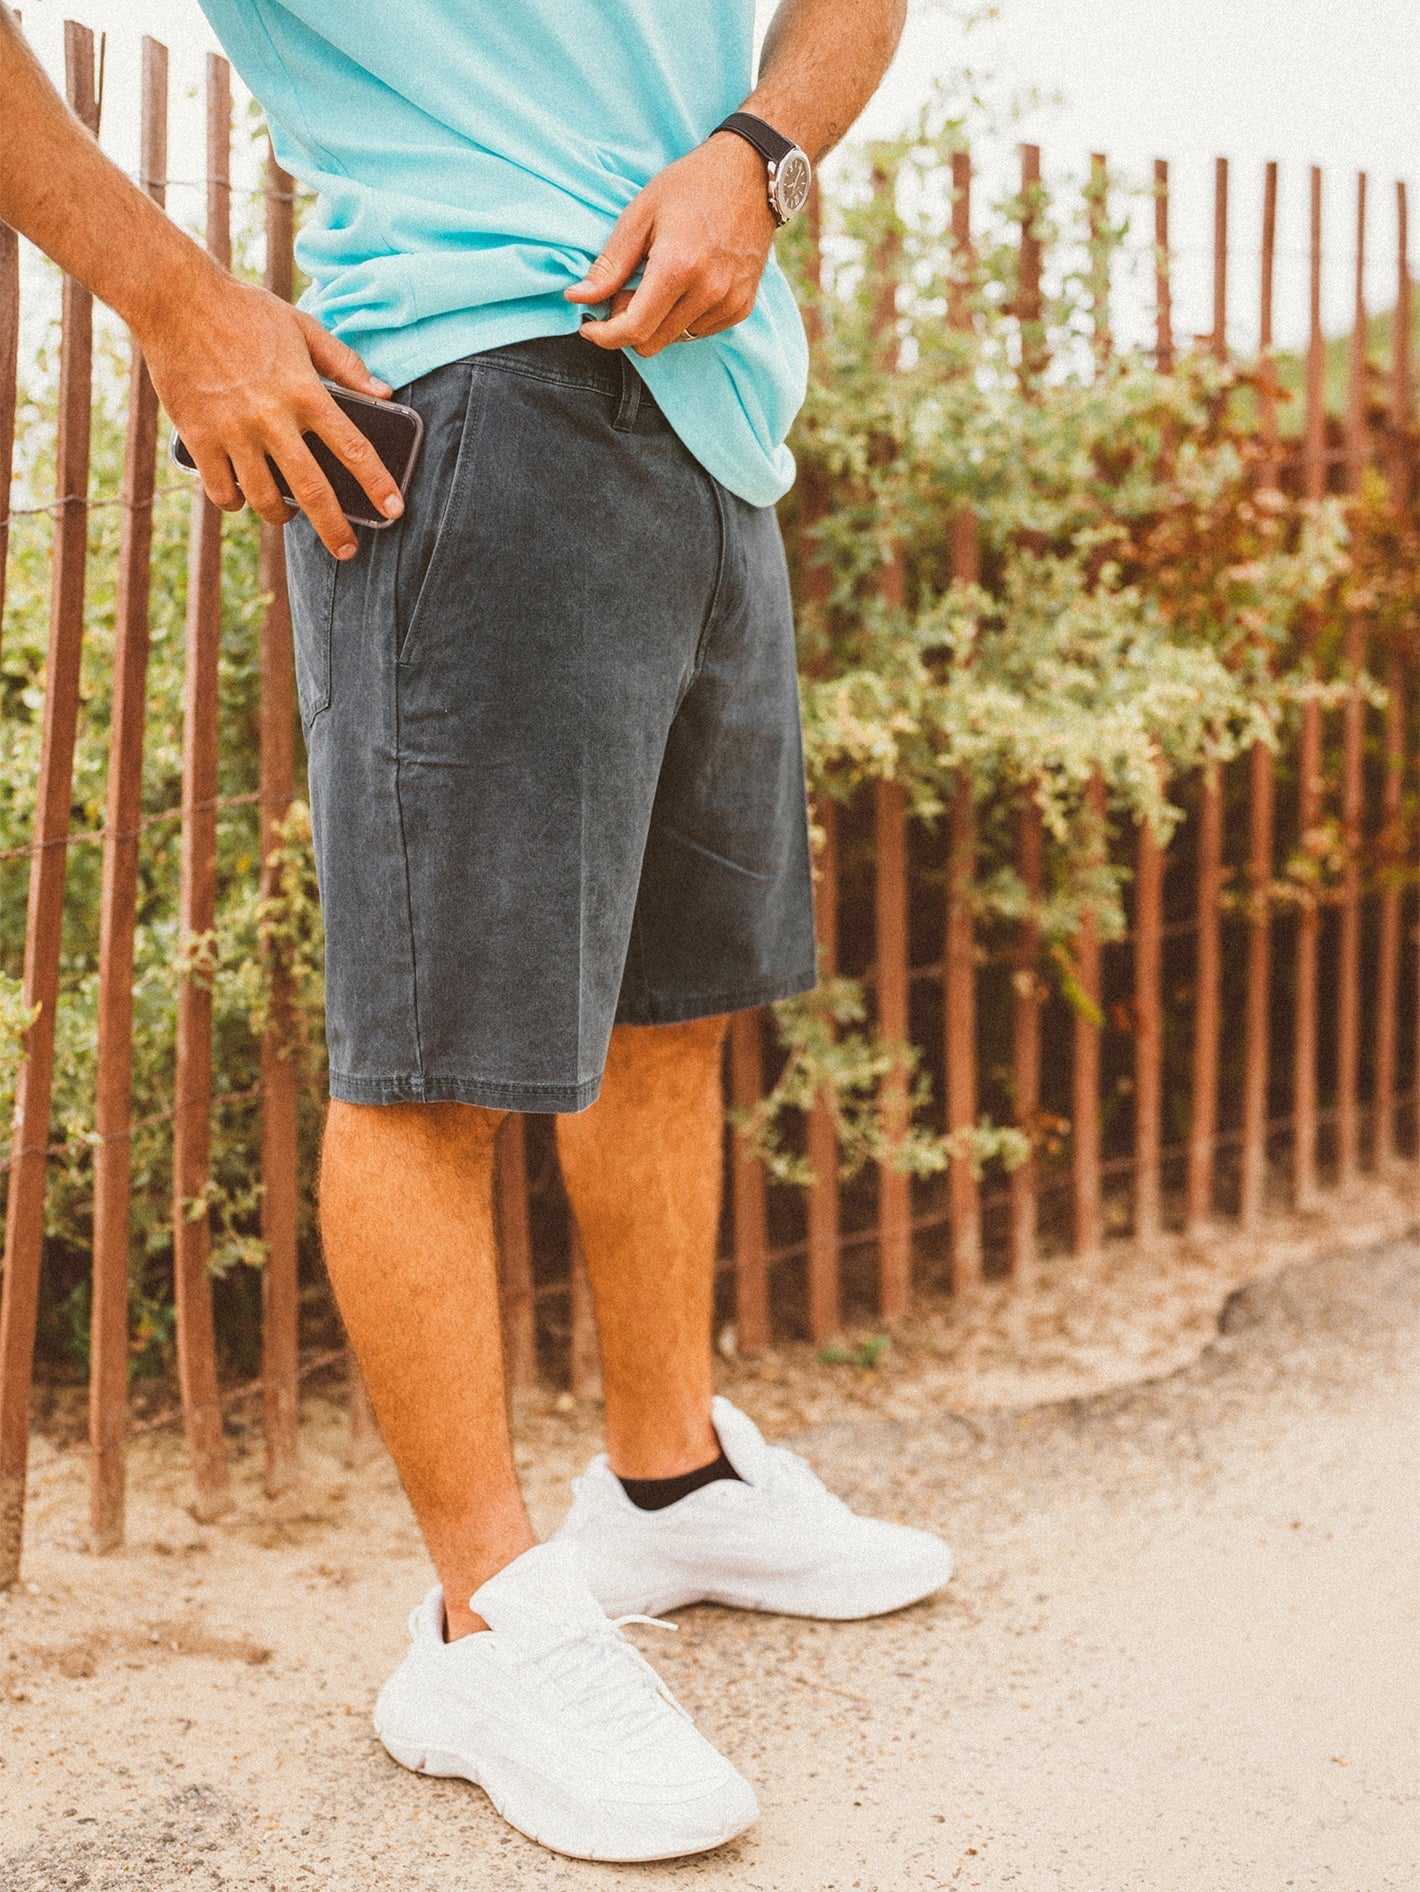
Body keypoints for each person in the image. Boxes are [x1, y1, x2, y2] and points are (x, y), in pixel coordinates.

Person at [1, 0, 953, 1861]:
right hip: (464, 399)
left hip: (713, 405)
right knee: (433, 1059)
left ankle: (669, 1488)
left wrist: (760, 152)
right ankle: (481, 1627)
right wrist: (180, 304)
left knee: (671, 1000)